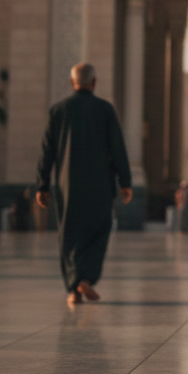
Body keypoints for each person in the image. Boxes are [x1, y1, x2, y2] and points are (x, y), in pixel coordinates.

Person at [35, 62, 133, 306]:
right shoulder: (105, 110)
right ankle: (85, 278)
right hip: (100, 184)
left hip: (68, 186)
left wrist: (42, 185)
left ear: (72, 83)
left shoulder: (58, 111)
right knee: (99, 230)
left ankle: (73, 289)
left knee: (69, 235)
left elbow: (46, 151)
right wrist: (125, 181)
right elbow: (117, 148)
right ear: (94, 82)